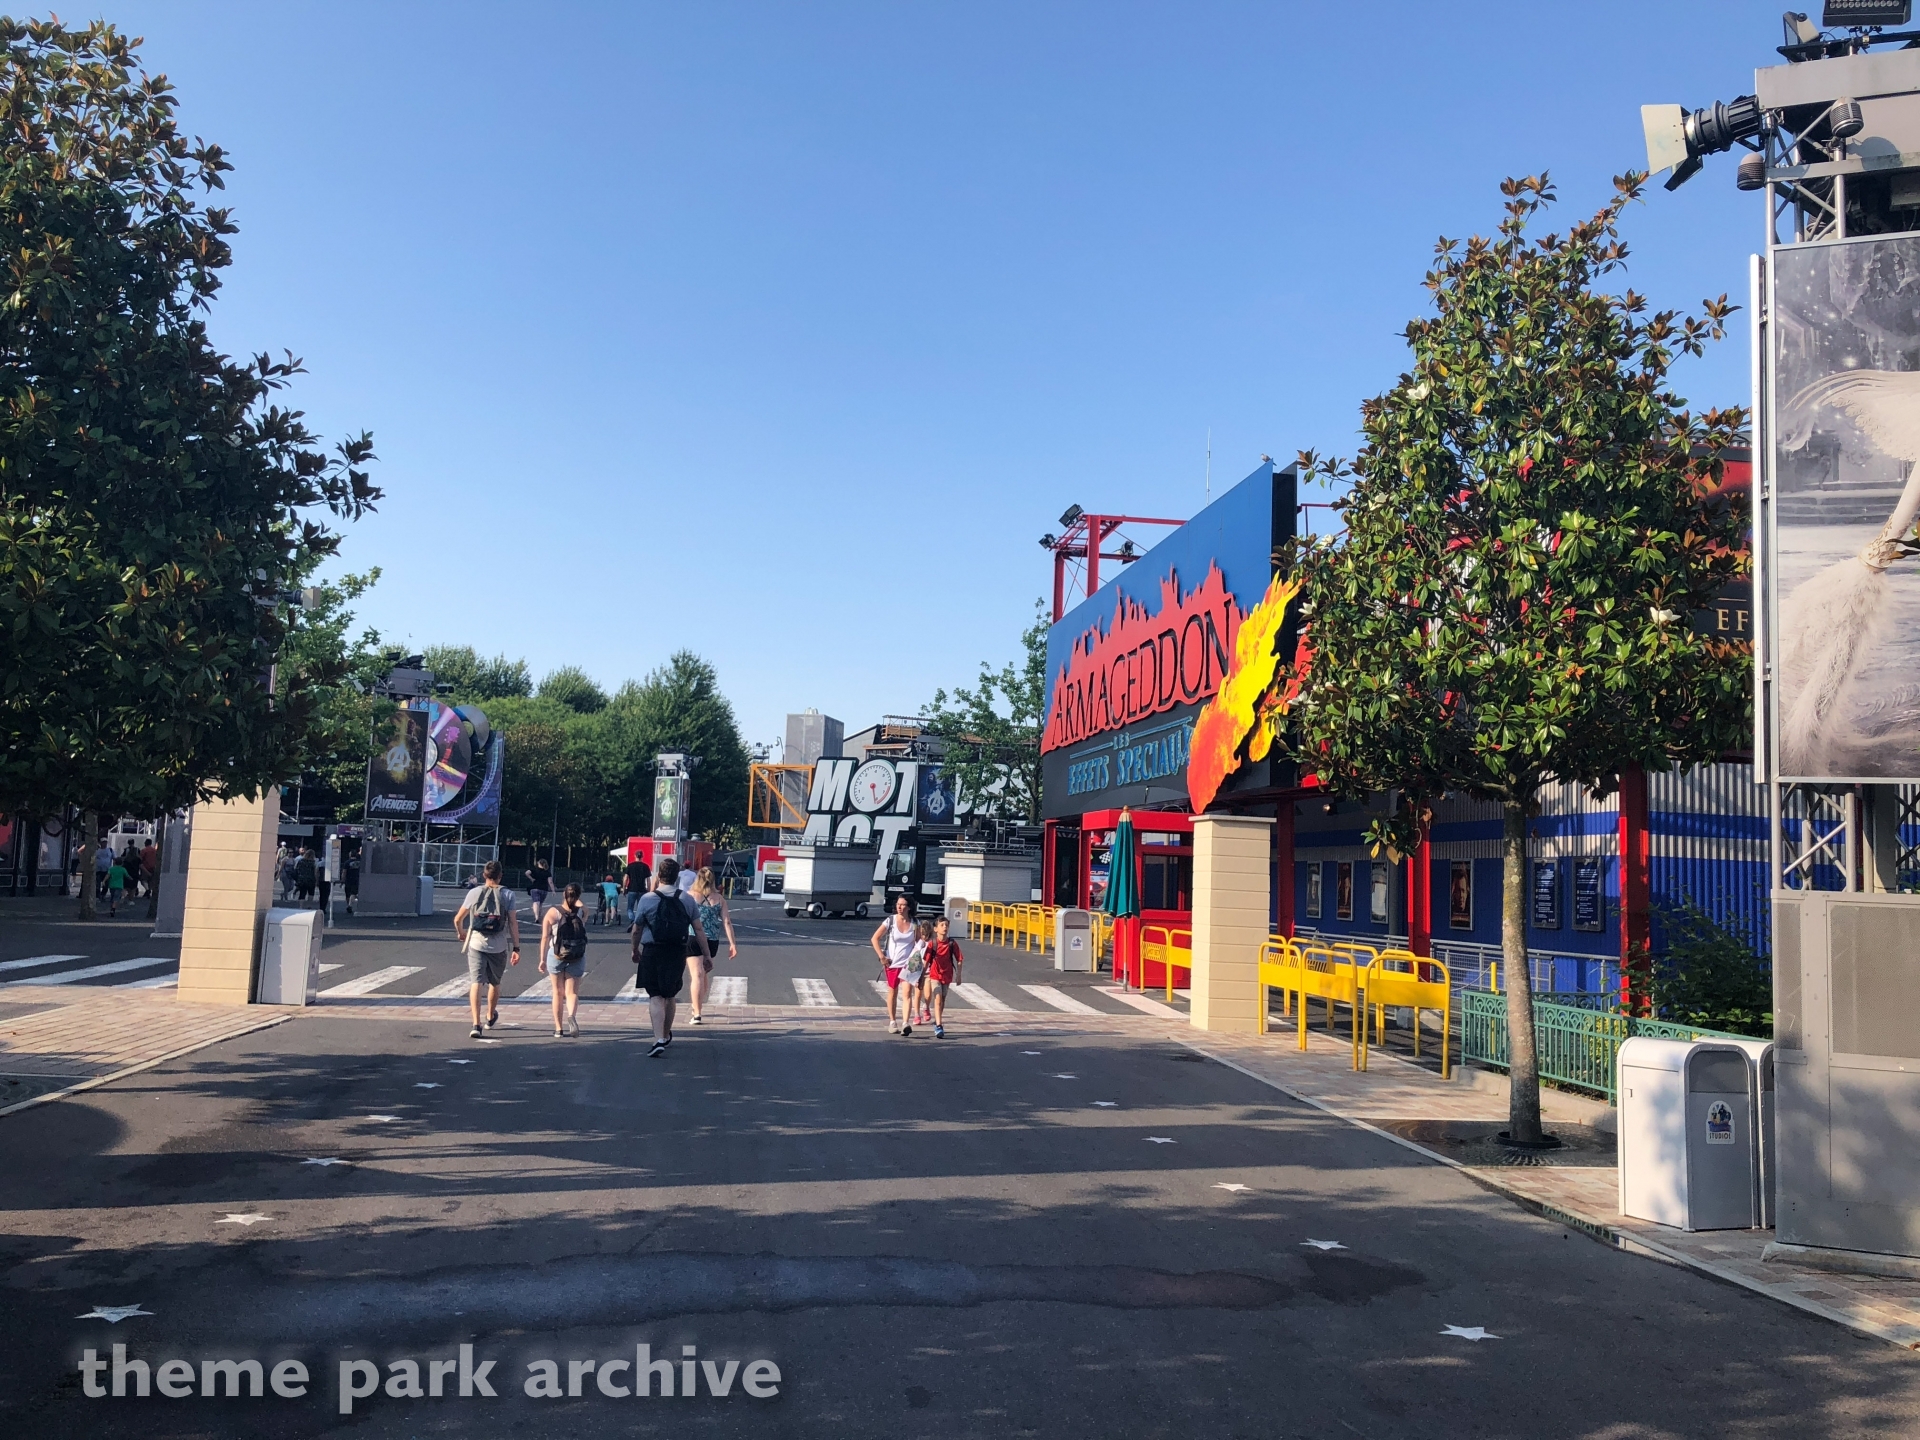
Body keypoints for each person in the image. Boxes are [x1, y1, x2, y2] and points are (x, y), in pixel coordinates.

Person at [630, 857, 708, 1058]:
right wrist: (707, 955)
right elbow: (698, 929)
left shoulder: (648, 899)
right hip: (677, 950)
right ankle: (666, 1034)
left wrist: (635, 949)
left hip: (652, 949)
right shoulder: (687, 899)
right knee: (670, 994)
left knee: (655, 995)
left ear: (659, 876)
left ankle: (658, 1039)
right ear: (677, 877)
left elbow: (637, 928)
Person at [454, 860, 522, 1040]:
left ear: (484, 875)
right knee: (494, 982)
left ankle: (476, 1024)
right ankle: (490, 1016)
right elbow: (513, 923)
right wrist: (516, 947)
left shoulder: (474, 892)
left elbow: (458, 919)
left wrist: (461, 933)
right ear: (500, 876)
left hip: (476, 943)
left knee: (476, 982)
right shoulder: (508, 894)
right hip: (498, 946)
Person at [687, 866, 738, 1025]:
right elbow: (727, 922)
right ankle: (698, 1006)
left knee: (696, 975)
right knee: (703, 974)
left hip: (693, 937)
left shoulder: (689, 896)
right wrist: (732, 943)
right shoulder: (720, 899)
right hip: (712, 940)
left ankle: (697, 1012)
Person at [539, 882, 591, 1038]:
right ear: (578, 896)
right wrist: (577, 900)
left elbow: (545, 937)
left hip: (556, 955)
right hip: (577, 955)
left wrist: (542, 959)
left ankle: (558, 1029)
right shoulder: (581, 912)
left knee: (557, 992)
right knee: (572, 992)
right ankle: (571, 1016)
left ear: (564, 894)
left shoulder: (553, 912)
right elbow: (585, 908)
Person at [870, 895, 920, 1036]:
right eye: (898, 904)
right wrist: (882, 956)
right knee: (892, 992)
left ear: (909, 907)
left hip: (909, 964)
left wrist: (918, 960)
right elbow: (874, 938)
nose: (899, 907)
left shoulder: (915, 923)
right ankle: (892, 1022)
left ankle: (905, 1023)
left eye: (903, 905)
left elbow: (919, 943)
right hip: (892, 963)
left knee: (907, 993)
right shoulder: (890, 921)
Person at [923, 915, 964, 1039]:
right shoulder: (932, 943)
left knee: (943, 1000)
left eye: (946, 925)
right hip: (935, 975)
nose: (944, 927)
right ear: (935, 929)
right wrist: (921, 976)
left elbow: (959, 959)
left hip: (947, 975)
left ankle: (937, 1019)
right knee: (938, 998)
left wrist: (959, 975)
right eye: (942, 925)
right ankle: (939, 1025)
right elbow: (926, 961)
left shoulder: (952, 943)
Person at [621, 854, 651, 926]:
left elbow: (625, 878)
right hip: (642, 889)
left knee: (630, 908)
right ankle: (638, 921)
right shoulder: (645, 866)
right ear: (642, 856)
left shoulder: (630, 866)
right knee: (640, 907)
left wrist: (624, 888)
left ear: (635, 856)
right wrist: (648, 890)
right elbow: (648, 880)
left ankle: (632, 920)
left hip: (632, 889)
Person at [104, 853, 129, 917]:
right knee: (116, 898)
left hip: (112, 885)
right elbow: (127, 876)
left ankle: (111, 907)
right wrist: (131, 878)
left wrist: (104, 881)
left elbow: (108, 875)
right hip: (119, 885)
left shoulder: (111, 869)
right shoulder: (123, 869)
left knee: (112, 897)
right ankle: (113, 909)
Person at [343, 844, 361, 915]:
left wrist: (342, 879)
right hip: (356, 879)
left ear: (350, 855)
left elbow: (344, 872)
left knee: (347, 893)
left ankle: (348, 905)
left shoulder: (347, 862)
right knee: (353, 893)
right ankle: (350, 905)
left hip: (348, 879)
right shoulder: (360, 862)